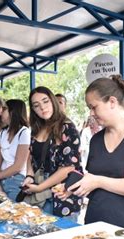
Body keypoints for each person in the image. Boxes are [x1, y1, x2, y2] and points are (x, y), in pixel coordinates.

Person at [58, 75, 124, 230]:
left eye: (94, 107)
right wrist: (76, 186)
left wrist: (98, 181)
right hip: (96, 225)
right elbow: (93, 180)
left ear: (112, 102)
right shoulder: (96, 140)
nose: (91, 113)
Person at [23, 86, 82, 219]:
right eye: (36, 105)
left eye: (45, 101)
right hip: (40, 197)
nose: (42, 108)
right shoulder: (37, 128)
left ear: (53, 101)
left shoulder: (67, 127)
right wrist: (30, 175)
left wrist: (39, 187)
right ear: (33, 109)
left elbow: (68, 167)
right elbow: (30, 154)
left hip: (62, 197)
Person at [0, 99, 31, 201]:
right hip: (1, 180)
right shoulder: (2, 134)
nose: (1, 112)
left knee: (13, 213)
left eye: (4, 109)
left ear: (12, 112)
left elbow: (18, 166)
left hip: (18, 180)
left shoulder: (24, 133)